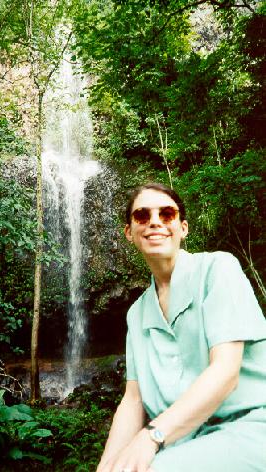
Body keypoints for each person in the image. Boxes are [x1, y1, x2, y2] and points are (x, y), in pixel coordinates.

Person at [96, 183, 266, 472]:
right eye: (142, 216)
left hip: (250, 426)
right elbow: (133, 400)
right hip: (184, 442)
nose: (155, 222)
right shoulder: (137, 314)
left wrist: (152, 436)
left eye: (167, 214)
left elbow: (226, 372)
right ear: (129, 232)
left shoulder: (218, 270)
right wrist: (106, 465)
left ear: (183, 228)